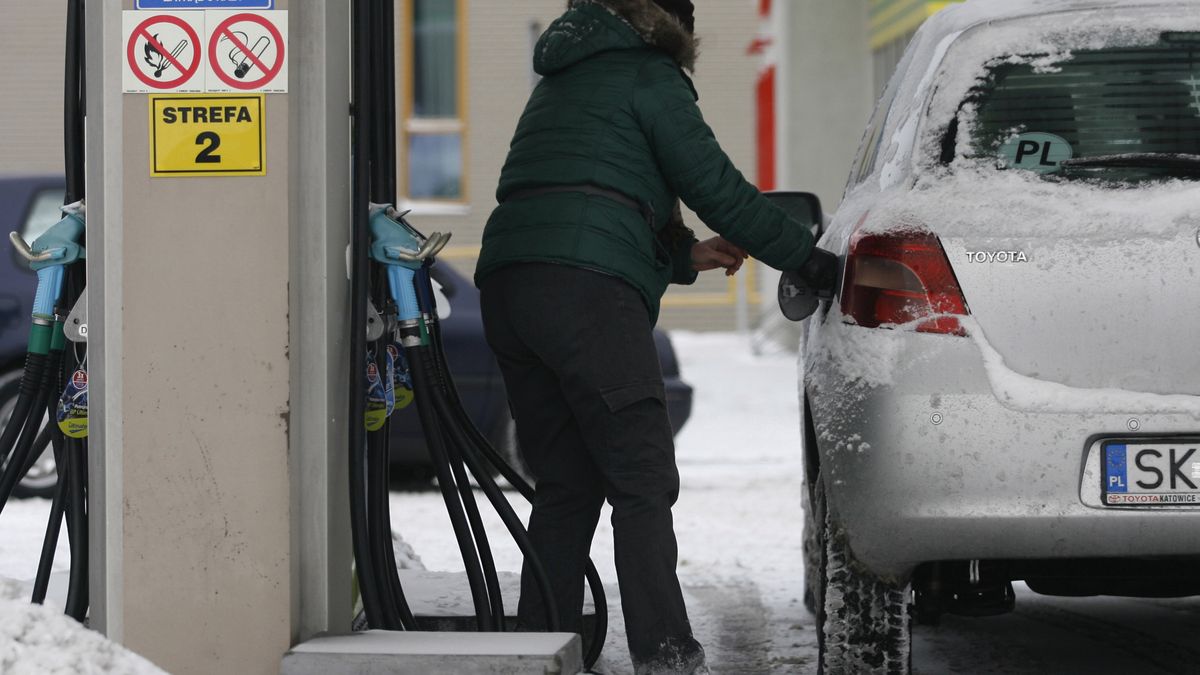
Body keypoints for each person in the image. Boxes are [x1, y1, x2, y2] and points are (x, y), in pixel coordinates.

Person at [475, 0, 836, 672]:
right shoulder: (650, 75)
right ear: (671, 25)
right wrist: (808, 258)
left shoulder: (565, 76)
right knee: (641, 479)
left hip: (511, 283)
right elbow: (717, 188)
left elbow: (578, 196)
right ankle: (666, 652)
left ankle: (536, 648)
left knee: (567, 483)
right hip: (588, 294)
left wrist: (683, 257)